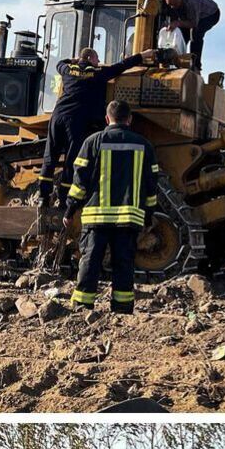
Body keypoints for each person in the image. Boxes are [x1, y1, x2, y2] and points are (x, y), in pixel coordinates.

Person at [36, 46, 168, 208]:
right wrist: (143, 55)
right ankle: (63, 200)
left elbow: (60, 64)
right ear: (91, 58)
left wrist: (74, 60)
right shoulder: (98, 74)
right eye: (97, 60)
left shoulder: (67, 70)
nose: (99, 63)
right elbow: (123, 65)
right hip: (76, 120)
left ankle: (43, 197)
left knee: (50, 156)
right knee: (71, 161)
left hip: (57, 117)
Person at [66, 99, 162, 314]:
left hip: (95, 218)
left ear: (107, 118)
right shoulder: (144, 145)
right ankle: (122, 309)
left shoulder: (92, 142)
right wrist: (148, 215)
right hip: (129, 219)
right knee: (124, 265)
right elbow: (151, 184)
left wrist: (70, 209)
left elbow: (79, 182)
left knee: (90, 262)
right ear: (130, 119)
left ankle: (82, 307)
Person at [162, 0, 220, 77]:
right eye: (170, 5)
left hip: (210, 15)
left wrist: (177, 23)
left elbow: (193, 23)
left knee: (195, 34)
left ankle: (195, 65)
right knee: (180, 35)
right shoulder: (173, 0)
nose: (172, 7)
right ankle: (175, 60)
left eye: (174, 4)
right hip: (188, 15)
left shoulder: (191, 1)